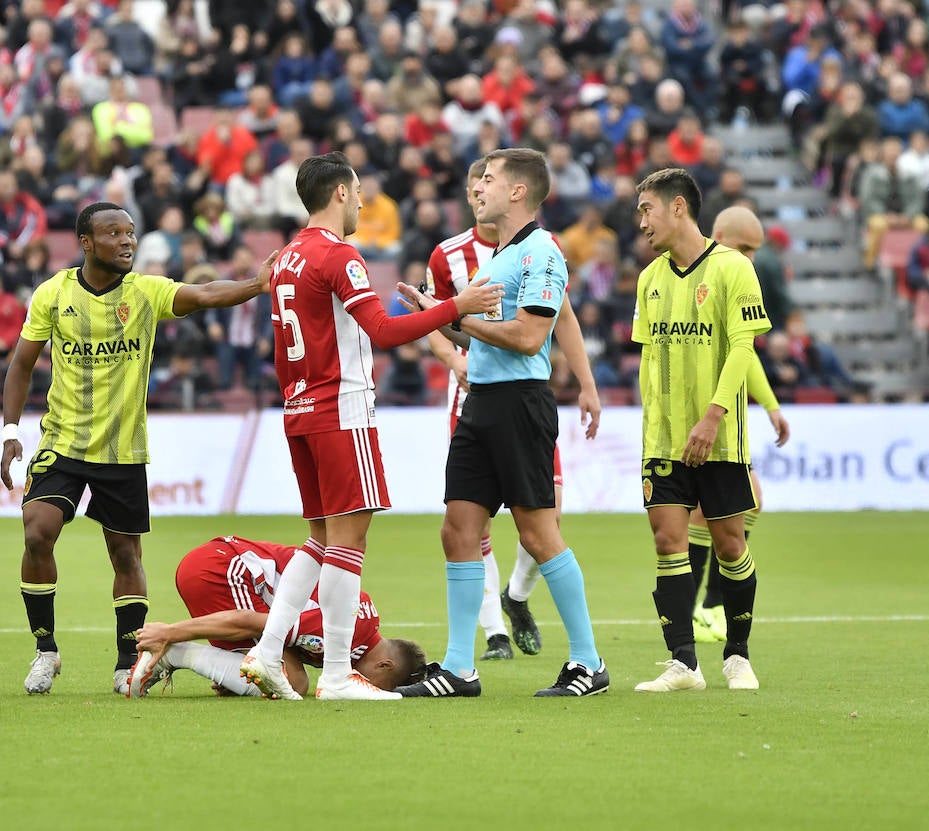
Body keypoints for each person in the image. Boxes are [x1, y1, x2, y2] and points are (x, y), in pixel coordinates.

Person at [238, 151, 502, 702]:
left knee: (319, 539)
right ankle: (337, 676)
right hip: (342, 408)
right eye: (357, 192)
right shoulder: (339, 255)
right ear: (340, 192)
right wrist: (455, 306)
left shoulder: (286, 258)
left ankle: (267, 649)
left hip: (300, 410)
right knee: (349, 541)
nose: (361, 202)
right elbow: (382, 331)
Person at [0, 202, 280, 696]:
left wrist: (255, 286)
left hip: (123, 451)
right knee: (37, 533)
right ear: (86, 242)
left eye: (130, 232)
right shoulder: (53, 293)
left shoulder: (146, 292)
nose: (126, 240)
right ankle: (45, 651)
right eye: (113, 233)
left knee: (125, 555)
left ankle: (127, 660)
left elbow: (204, 293)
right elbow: (22, 363)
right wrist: (9, 431)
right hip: (62, 442)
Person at [397, 148, 608, 698]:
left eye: (488, 179)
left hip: (519, 404)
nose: (478, 187)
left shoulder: (542, 251)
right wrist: (434, 312)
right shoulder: (499, 257)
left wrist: (457, 313)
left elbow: (530, 337)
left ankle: (589, 663)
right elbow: (480, 332)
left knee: (538, 534)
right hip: (481, 403)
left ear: (518, 191)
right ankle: (459, 668)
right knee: (458, 530)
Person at [630, 169, 773, 693]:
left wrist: (713, 416)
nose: (641, 222)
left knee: (730, 544)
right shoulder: (649, 280)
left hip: (720, 437)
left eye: (646, 209)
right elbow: (649, 359)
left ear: (677, 207)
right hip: (663, 440)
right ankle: (684, 664)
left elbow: (743, 348)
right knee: (667, 541)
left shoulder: (734, 268)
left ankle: (737, 655)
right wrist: (651, 424)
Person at [127, 535, 428, 698]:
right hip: (223, 569)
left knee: (266, 672)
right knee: (292, 682)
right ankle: (175, 653)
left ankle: (194, 659)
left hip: (218, 562)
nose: (367, 687)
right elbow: (248, 621)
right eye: (377, 685)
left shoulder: (362, 622)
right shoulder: (347, 631)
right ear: (385, 665)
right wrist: (170, 632)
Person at [688, 206, 792, 643]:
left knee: (732, 507)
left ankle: (702, 607)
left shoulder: (733, 276)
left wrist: (770, 405)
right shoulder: (709, 278)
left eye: (755, 251)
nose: (751, 257)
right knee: (722, 509)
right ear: (720, 234)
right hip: (704, 411)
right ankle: (704, 608)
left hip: (723, 413)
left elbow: (743, 352)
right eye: (745, 247)